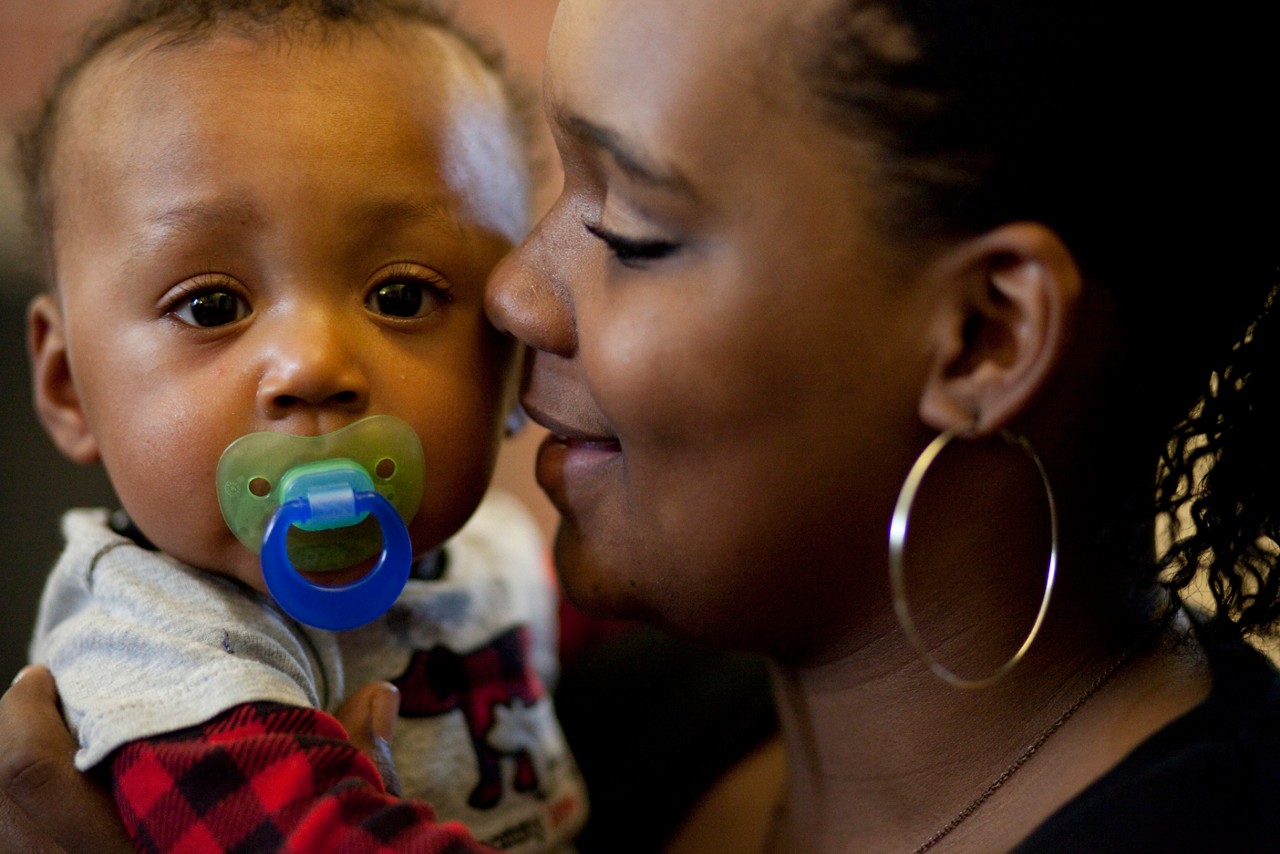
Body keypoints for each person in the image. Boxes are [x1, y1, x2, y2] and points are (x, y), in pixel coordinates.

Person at [5, 0, 1280, 851]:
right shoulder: (579, 712)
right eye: (554, 184)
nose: (508, 291)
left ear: (981, 338)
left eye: (627, 226)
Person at [6, 0, 587, 851]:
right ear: (67, 386)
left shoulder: (495, 553)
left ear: (510, 363)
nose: (312, 364)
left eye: (401, 296)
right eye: (211, 305)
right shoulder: (160, 662)